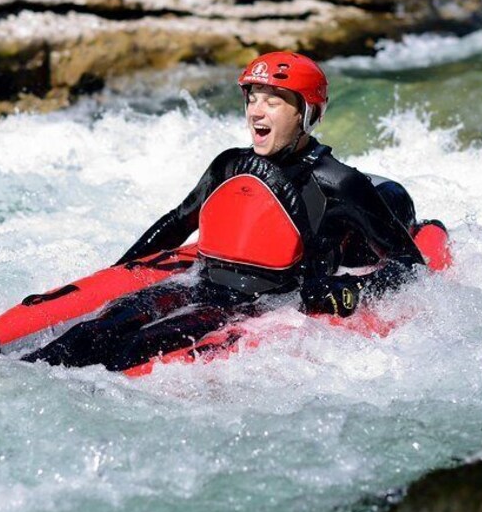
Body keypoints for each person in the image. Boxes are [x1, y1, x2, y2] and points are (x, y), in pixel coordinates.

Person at [22, 52, 426, 371]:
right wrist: (117, 274)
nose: (256, 111)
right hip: (198, 282)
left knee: (136, 349)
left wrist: (356, 289)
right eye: (252, 97)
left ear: (306, 113)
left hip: (259, 303)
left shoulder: (339, 183)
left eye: (273, 101)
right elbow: (179, 221)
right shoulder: (229, 165)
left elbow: (410, 263)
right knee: (90, 333)